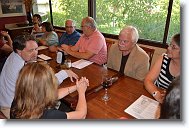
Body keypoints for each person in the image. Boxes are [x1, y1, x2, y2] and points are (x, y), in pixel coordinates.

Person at [0, 34, 78, 118]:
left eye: (36, 49)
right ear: (19, 51)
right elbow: (44, 86)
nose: (35, 54)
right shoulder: (20, 69)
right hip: (14, 109)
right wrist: (64, 73)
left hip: (8, 100)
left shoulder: (14, 55)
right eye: (30, 51)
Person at [10, 62, 88, 119]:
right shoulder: (50, 115)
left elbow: (52, 95)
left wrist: (77, 87)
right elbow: (81, 115)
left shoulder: (19, 100)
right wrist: (81, 93)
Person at [144, 33, 180, 103]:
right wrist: (156, 94)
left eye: (173, 47)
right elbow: (147, 80)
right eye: (170, 45)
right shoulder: (163, 59)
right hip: (157, 100)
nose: (168, 48)